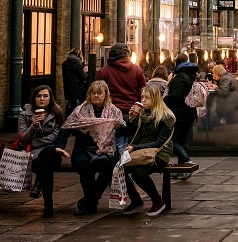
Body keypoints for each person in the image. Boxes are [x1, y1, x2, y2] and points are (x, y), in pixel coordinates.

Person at [55, 80, 124, 215]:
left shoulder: (114, 111)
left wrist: (119, 127)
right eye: (93, 93)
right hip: (84, 149)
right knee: (85, 167)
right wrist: (60, 147)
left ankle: (89, 201)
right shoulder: (81, 111)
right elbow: (66, 128)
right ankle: (91, 202)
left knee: (113, 165)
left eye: (99, 93)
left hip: (106, 149)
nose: (96, 96)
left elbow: (123, 131)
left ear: (105, 94)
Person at [122, 86, 175, 217]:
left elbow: (159, 142)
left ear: (155, 99)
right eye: (142, 97)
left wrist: (135, 147)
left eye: (147, 98)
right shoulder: (142, 114)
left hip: (159, 153)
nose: (143, 101)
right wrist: (131, 120)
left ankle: (157, 201)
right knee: (117, 169)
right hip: (141, 151)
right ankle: (135, 200)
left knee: (138, 173)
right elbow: (132, 135)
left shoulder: (166, 117)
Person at [18, 85, 68, 218]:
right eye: (38, 96)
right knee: (46, 167)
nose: (42, 99)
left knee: (49, 151)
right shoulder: (24, 115)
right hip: (34, 156)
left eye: (45, 96)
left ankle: (38, 187)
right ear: (34, 98)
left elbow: (56, 137)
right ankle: (48, 204)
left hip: (52, 153)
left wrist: (36, 142)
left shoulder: (57, 114)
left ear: (50, 98)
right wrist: (33, 126)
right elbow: (23, 140)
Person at [164, 55, 199, 172]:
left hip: (180, 113)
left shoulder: (180, 77)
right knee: (182, 140)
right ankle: (183, 170)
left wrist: (162, 99)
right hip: (190, 112)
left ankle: (185, 160)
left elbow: (176, 96)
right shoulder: (192, 76)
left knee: (170, 139)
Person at [95, 42, 146, 123]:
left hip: (109, 114)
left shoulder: (104, 71)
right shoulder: (137, 70)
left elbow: (96, 92)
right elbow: (143, 92)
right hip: (132, 112)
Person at [62, 48, 88, 115]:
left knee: (72, 105)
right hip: (78, 88)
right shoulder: (77, 64)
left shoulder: (65, 63)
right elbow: (84, 77)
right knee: (80, 106)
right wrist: (84, 72)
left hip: (68, 88)